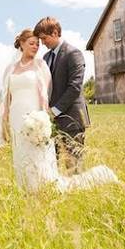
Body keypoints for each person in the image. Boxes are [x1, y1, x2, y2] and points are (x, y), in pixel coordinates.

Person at [0, 28, 117, 193]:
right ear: (21, 43)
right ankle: (26, 190)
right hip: (16, 118)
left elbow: (45, 94)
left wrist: (43, 119)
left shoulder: (40, 64)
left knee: (38, 156)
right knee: (21, 156)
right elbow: (7, 96)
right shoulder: (10, 69)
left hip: (35, 118)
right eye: (32, 43)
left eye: (38, 44)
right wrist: (5, 119)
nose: (36, 46)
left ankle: (44, 189)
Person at [34, 16, 89, 174]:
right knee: (52, 166)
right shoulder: (46, 58)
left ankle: (79, 197)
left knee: (74, 167)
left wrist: (55, 111)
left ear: (55, 32)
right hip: (51, 123)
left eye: (44, 38)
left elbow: (75, 87)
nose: (42, 43)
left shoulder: (73, 53)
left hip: (72, 119)